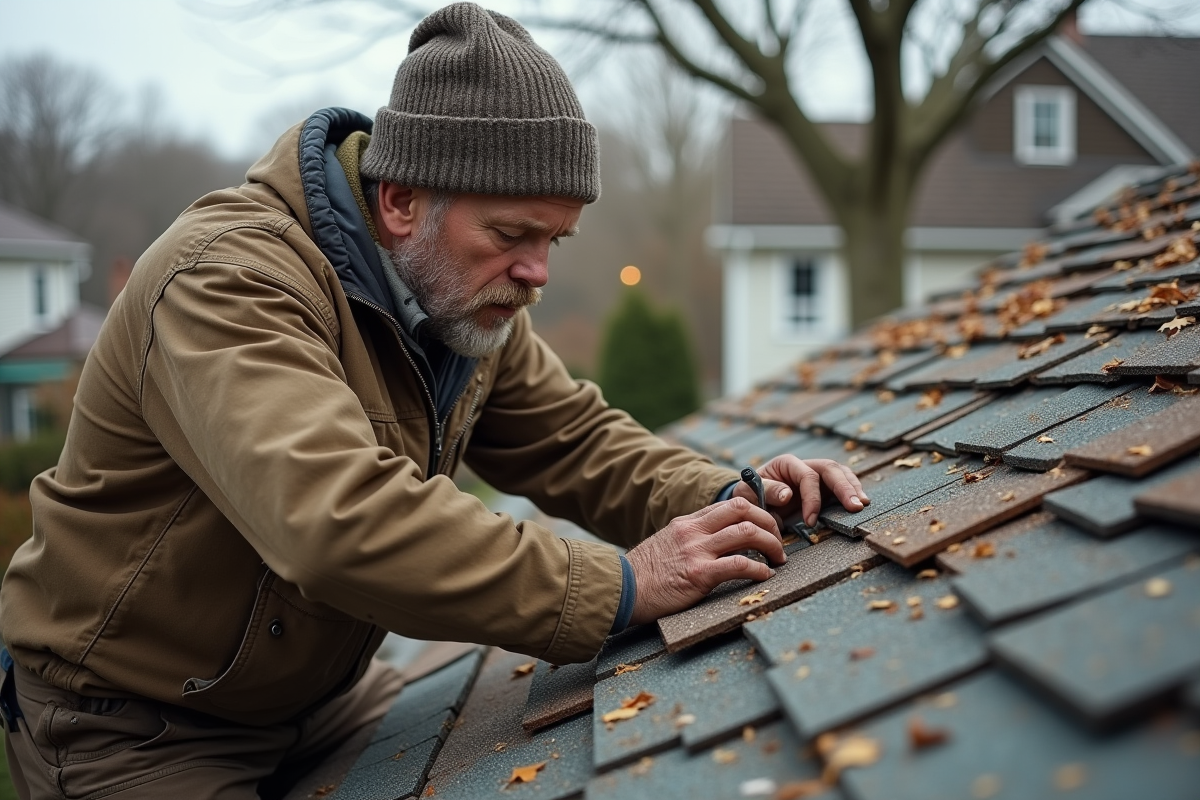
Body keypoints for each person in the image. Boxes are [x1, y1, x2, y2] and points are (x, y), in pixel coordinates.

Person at [0, 4, 867, 797]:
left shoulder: (462, 299)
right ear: (403, 199)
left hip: (327, 696)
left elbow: (574, 442)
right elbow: (336, 519)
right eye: (511, 235)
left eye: (555, 239)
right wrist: (623, 584)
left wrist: (728, 500)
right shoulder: (225, 282)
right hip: (140, 724)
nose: (538, 273)